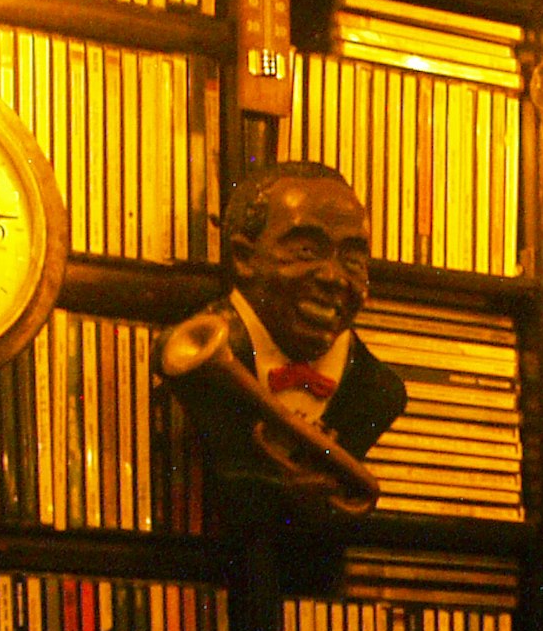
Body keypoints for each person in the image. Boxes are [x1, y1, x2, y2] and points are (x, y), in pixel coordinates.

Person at [168, 161, 408, 512]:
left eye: (353, 260)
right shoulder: (194, 358)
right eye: (307, 252)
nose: (334, 278)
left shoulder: (379, 391)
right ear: (244, 258)